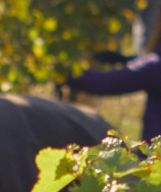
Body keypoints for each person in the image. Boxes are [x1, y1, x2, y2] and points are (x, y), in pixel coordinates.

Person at [66, 11, 161, 144]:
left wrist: (60, 73)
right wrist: (120, 59)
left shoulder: (155, 68)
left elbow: (103, 83)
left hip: (156, 159)